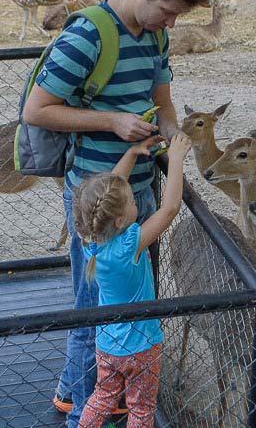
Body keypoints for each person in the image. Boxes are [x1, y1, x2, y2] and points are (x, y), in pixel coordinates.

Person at [22, 0, 210, 426]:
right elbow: (37, 110)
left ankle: (74, 390)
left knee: (123, 301)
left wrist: (171, 137)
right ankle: (84, 415)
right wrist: (112, 123)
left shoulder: (156, 35)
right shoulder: (87, 35)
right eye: (167, 12)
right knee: (99, 313)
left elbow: (162, 102)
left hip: (141, 187)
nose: (170, 25)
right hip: (98, 195)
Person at [74, 133, 191, 427]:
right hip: (142, 345)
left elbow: (108, 193)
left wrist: (131, 153)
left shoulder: (90, 238)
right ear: (118, 220)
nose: (133, 203)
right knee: (141, 407)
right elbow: (170, 210)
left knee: (102, 396)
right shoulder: (130, 244)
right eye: (129, 202)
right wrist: (175, 160)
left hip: (107, 344)